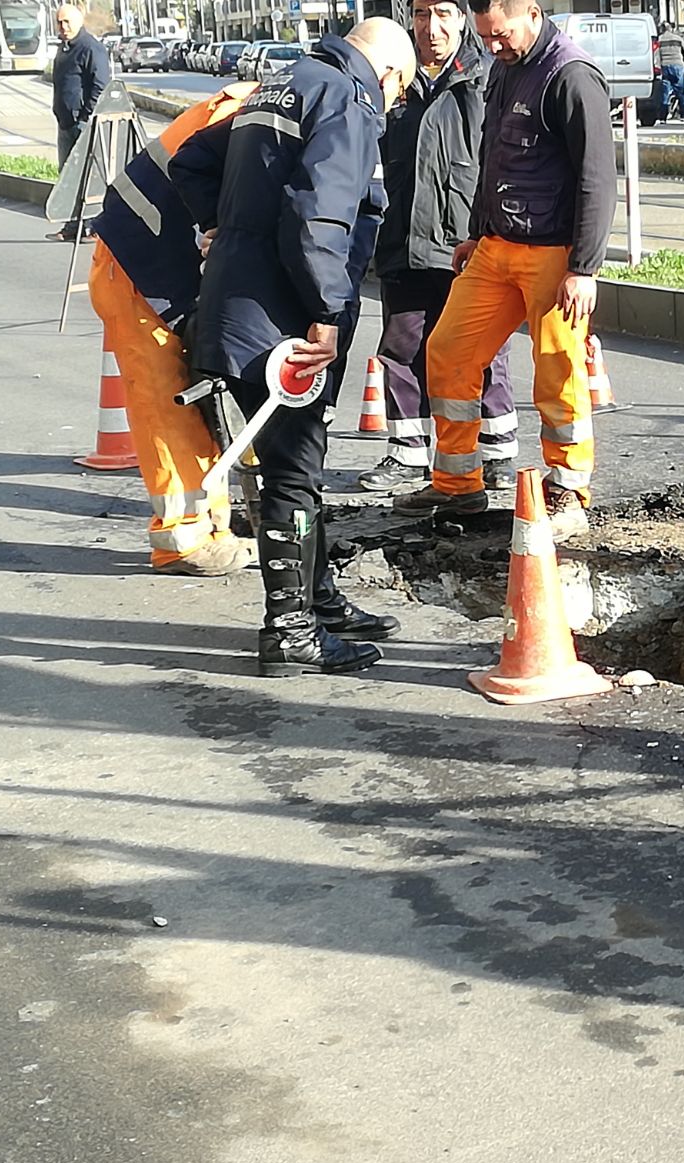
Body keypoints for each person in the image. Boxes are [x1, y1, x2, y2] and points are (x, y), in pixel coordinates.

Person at [170, 19, 417, 676]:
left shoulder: (279, 84)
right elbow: (320, 215)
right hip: (285, 320)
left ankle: (318, 601)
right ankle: (291, 632)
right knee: (292, 470)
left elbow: (189, 160)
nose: (391, 106)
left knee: (295, 461)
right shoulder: (345, 98)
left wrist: (219, 224)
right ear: (389, 72)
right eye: (398, 92)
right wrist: (324, 311)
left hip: (234, 304)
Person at [393, 0, 615, 543]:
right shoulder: (505, 67)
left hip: (553, 254)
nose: (493, 46)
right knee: (448, 350)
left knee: (557, 367)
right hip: (497, 245)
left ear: (532, 13)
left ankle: (566, 491)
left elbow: (596, 179)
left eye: (501, 35)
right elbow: (493, 157)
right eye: (486, 36)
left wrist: (583, 267)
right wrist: (477, 229)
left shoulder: (571, 76)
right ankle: (456, 480)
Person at [88, 81, 261, 576]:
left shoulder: (257, 107)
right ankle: (180, 541)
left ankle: (213, 528)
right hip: (137, 270)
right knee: (167, 405)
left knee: (196, 400)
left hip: (154, 263)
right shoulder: (251, 119)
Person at [358, 0, 519, 496]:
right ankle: (407, 453)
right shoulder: (391, 77)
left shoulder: (487, 77)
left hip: (466, 243)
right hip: (403, 241)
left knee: (482, 350)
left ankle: (496, 450)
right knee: (402, 349)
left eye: (444, 12)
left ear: (464, 17)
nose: (432, 27)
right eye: (422, 13)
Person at [46, 5, 110, 242]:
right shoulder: (64, 48)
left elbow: (100, 86)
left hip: (82, 124)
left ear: (78, 21)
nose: (62, 27)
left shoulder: (91, 48)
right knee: (68, 177)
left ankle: (93, 227)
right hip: (65, 123)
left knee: (88, 176)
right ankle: (72, 225)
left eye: (66, 22)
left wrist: (85, 117)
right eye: (59, 22)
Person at [658, 21, 684, 119]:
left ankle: (663, 117)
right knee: (681, 91)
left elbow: (656, 54)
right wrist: (683, 60)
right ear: (671, 29)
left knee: (665, 93)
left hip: (665, 66)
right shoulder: (678, 39)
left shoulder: (659, 40)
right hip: (677, 66)